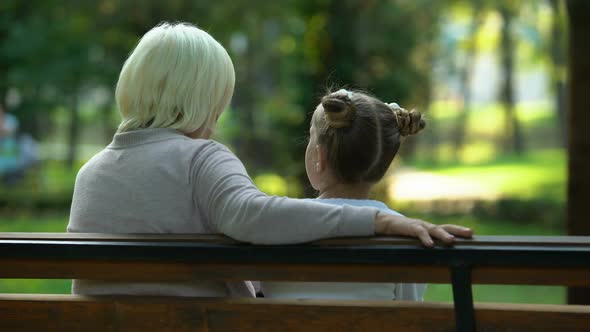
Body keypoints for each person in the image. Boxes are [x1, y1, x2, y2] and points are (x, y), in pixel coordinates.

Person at [67, 22, 473, 298]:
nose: (216, 120)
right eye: (217, 104)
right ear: (197, 100)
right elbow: (255, 216)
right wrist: (377, 219)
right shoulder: (199, 159)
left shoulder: (90, 174)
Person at [261, 89, 429, 300]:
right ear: (381, 162)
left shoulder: (277, 226)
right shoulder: (405, 234)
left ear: (319, 157)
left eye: (310, 137)